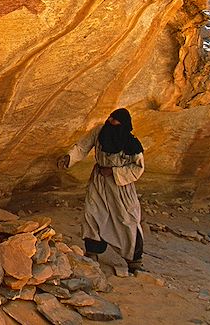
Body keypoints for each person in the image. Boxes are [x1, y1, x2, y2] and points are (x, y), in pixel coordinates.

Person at [57, 108, 145, 273]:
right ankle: (92, 252)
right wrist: (69, 157)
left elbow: (138, 168)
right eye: (110, 118)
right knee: (93, 213)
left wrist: (114, 172)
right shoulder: (100, 131)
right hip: (99, 181)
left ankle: (134, 260)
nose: (110, 121)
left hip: (121, 187)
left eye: (115, 120)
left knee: (127, 218)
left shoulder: (132, 144)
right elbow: (83, 146)